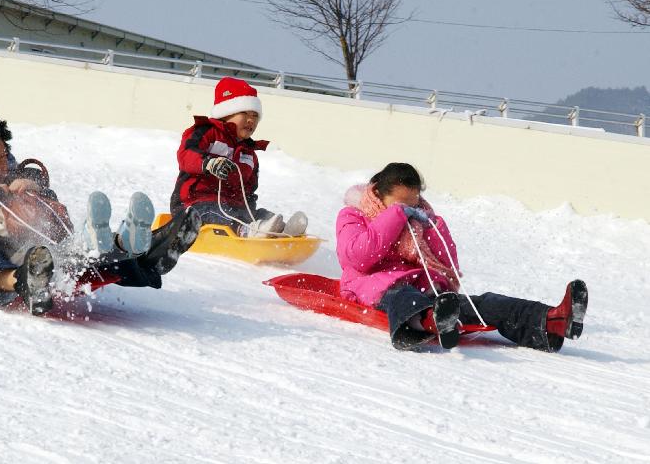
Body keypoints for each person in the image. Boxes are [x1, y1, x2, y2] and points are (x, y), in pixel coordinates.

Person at [0, 110, 201, 314]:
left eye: (2, 157)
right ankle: (24, 281)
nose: (0, 166)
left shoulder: (18, 181)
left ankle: (139, 251)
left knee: (85, 252)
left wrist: (36, 189)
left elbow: (57, 218)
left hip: (46, 250)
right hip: (3, 257)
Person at [336, 162, 588, 352]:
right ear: (378, 193)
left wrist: (432, 227)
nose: (408, 209)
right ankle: (430, 321)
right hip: (375, 288)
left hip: (425, 288)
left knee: (482, 303)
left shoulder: (422, 221)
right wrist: (395, 216)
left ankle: (552, 320)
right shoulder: (353, 215)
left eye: (413, 203)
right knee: (403, 295)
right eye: (401, 204)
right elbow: (358, 258)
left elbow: (448, 268)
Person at [170, 76, 307, 238]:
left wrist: (249, 212)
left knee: (260, 214)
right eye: (245, 113)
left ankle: (280, 232)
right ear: (227, 112)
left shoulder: (249, 153)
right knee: (215, 212)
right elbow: (186, 154)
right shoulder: (206, 132)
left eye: (255, 116)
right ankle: (246, 231)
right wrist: (208, 163)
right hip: (194, 203)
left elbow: (249, 189)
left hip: (233, 208)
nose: (251, 120)